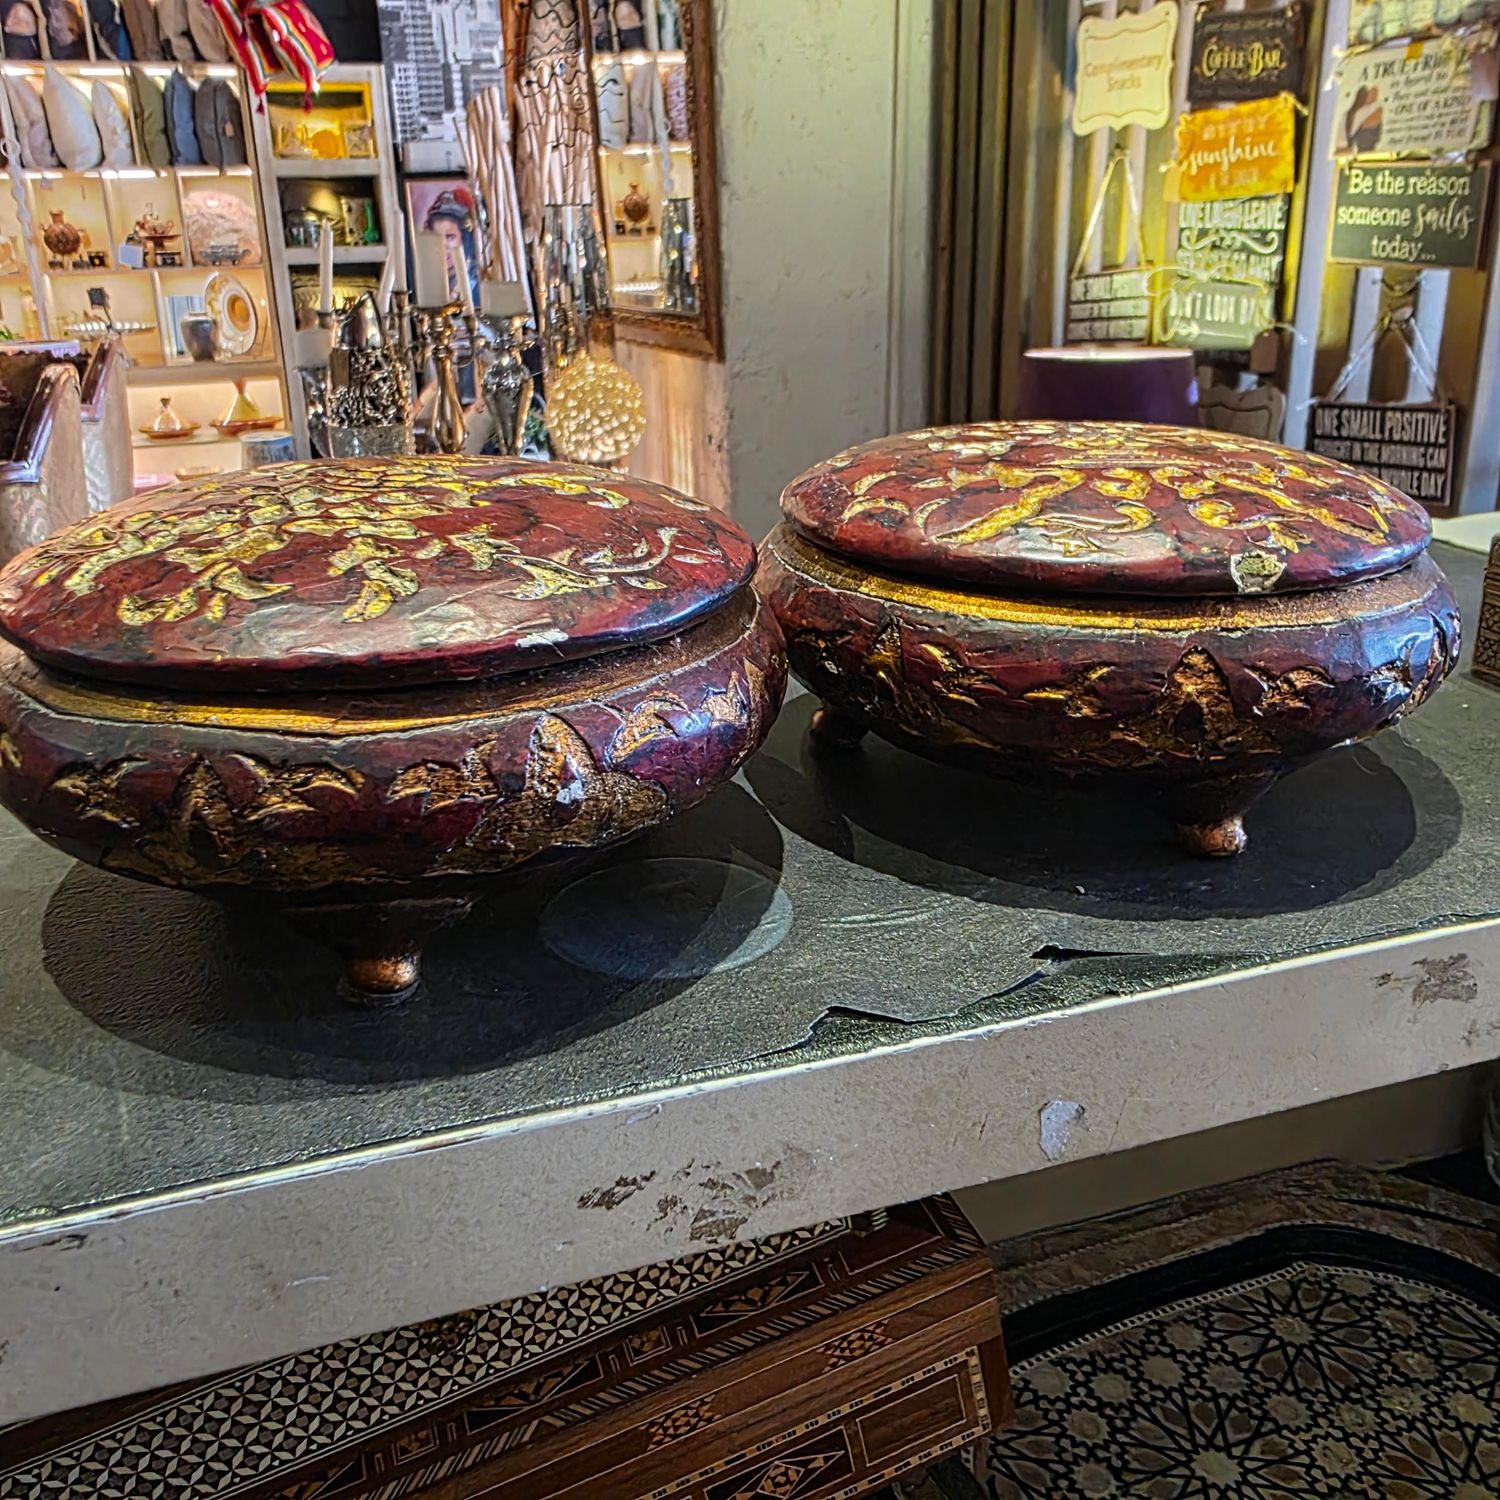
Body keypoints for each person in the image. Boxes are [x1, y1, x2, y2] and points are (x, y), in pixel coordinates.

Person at [423, 188, 479, 307]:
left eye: (450, 237)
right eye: (437, 237)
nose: (442, 245)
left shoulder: (478, 283)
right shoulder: (425, 281)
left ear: (465, 240)